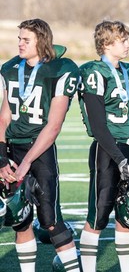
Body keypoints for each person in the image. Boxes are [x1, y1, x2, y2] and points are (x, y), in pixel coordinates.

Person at [0, 18, 80, 271]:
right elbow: (3, 118)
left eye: (26, 40)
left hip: (40, 149)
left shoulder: (61, 70)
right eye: (19, 39)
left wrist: (26, 164)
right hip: (13, 147)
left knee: (50, 219)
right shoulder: (12, 68)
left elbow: (53, 126)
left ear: (41, 41)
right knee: (19, 218)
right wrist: (2, 159)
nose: (20, 44)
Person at [77, 20, 129, 272]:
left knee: (127, 214)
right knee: (97, 216)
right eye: (123, 40)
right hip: (106, 151)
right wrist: (119, 159)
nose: (128, 45)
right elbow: (98, 126)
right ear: (107, 44)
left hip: (128, 148)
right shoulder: (94, 72)